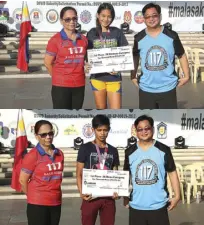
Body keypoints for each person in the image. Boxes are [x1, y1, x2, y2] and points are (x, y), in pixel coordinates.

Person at [123, 115, 180, 225]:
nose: (143, 132)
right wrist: (125, 196)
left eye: (147, 128)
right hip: (136, 206)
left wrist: (177, 196)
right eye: (140, 129)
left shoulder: (164, 150)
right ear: (136, 131)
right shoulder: (129, 152)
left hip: (159, 206)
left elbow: (172, 172)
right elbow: (126, 175)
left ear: (153, 129)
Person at [131, 3, 190, 109]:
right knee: (147, 120)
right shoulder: (138, 38)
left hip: (168, 88)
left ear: (160, 16)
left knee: (168, 122)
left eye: (154, 15)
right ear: (144, 19)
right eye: (148, 17)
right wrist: (132, 76)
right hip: (146, 89)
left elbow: (181, 55)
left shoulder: (172, 35)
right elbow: (135, 57)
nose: (151, 19)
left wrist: (187, 76)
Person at [76, 114, 120, 225]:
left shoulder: (113, 150)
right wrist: (81, 193)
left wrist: (118, 191)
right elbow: (79, 173)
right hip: (90, 196)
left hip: (108, 198)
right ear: (93, 129)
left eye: (105, 130)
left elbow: (115, 173)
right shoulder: (85, 148)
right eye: (99, 130)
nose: (102, 133)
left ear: (109, 130)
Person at [19, 120, 64, 225]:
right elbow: (22, 180)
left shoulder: (60, 154)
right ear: (36, 136)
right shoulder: (32, 155)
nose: (48, 137)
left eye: (50, 133)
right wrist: (34, 197)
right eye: (43, 135)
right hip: (37, 204)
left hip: (56, 202)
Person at [85, 3, 128, 109]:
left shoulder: (117, 32)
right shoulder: (91, 33)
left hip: (114, 78)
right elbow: (87, 54)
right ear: (98, 15)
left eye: (109, 16)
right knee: (101, 111)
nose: (106, 19)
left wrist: (118, 66)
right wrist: (86, 64)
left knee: (116, 111)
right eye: (103, 16)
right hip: (97, 78)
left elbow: (125, 53)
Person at [44, 7, 88, 109]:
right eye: (67, 19)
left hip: (79, 84)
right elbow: (47, 63)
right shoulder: (55, 40)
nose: (71, 22)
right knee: (61, 115)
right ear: (61, 21)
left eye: (74, 18)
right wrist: (58, 78)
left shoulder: (83, 39)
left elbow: (85, 59)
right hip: (61, 85)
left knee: (75, 116)